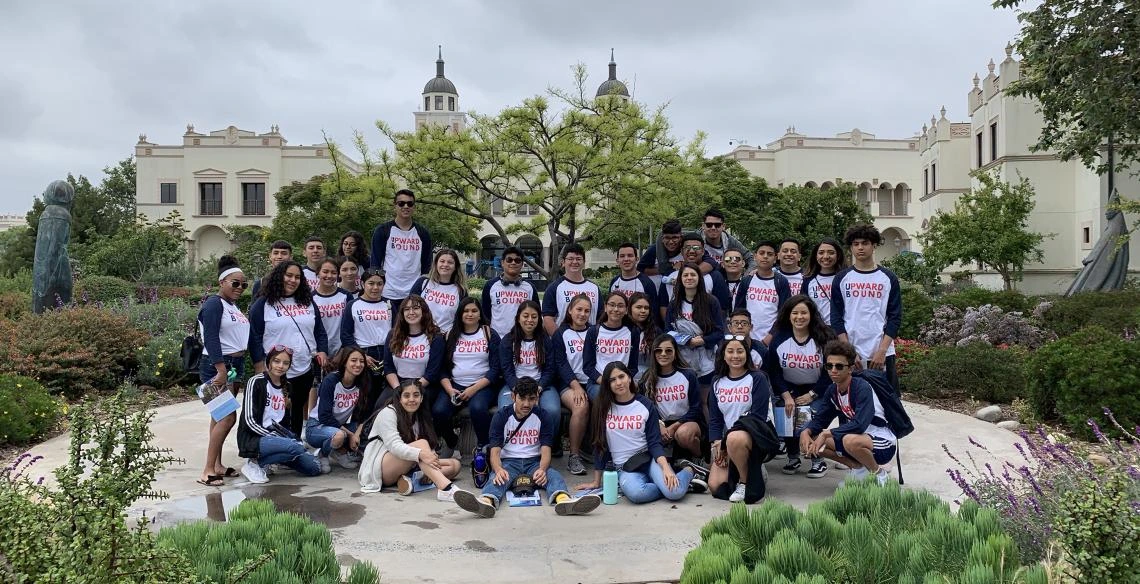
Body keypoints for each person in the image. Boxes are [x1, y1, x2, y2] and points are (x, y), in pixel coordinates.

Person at [452, 377, 601, 518]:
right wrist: (498, 469)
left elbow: (546, 450)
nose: (526, 404)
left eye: (531, 399)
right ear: (513, 397)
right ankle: (485, 502)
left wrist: (542, 470)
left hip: (534, 463)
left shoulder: (543, 416)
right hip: (509, 462)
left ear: (537, 398)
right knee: (496, 480)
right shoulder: (501, 416)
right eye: (522, 398)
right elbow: (495, 452)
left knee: (554, 476)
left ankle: (564, 501)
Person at [576, 362, 700, 504]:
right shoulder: (603, 408)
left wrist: (665, 468)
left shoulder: (646, 405)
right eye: (612, 380)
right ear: (607, 384)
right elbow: (599, 444)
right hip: (624, 467)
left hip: (648, 460)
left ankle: (688, 471)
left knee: (674, 492)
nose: (618, 383)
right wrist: (596, 481)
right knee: (637, 494)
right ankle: (671, 484)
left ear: (629, 377)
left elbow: (654, 442)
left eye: (621, 377)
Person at [799, 340, 896, 486]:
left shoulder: (861, 387)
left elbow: (860, 425)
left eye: (839, 366)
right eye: (829, 366)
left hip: (882, 442)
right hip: (858, 440)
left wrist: (826, 434)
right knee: (812, 439)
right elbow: (820, 420)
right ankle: (858, 469)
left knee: (848, 440)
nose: (833, 370)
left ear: (850, 368)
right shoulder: (833, 390)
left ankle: (879, 474)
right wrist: (805, 432)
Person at [249, 261, 329, 436]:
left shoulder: (307, 302)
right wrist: (258, 364)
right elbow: (254, 335)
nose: (293, 280)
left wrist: (322, 350)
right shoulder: (264, 303)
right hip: (277, 369)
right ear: (279, 277)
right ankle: (272, 448)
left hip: (304, 367)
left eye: (297, 277)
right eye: (289, 275)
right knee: (276, 410)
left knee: (298, 407)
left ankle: (295, 444)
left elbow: (319, 330)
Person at [765, 295, 835, 478]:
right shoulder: (779, 339)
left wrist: (812, 394)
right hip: (789, 388)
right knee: (788, 416)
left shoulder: (824, 337)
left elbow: (831, 371)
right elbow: (774, 371)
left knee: (810, 419)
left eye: (804, 312)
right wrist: (786, 395)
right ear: (788, 315)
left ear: (811, 314)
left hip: (818, 389)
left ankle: (817, 460)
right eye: (795, 313)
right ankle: (793, 457)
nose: (799, 317)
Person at [196, 255, 250, 487]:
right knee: (228, 417)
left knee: (218, 416)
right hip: (217, 365)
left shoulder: (232, 306)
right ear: (222, 282)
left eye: (243, 284)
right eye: (234, 283)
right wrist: (219, 368)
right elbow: (210, 337)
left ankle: (217, 464)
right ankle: (207, 470)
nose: (239, 288)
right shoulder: (213, 304)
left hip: (234, 365)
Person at [358, 379, 462, 500]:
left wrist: (430, 455)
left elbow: (426, 448)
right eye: (406, 395)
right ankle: (446, 489)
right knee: (421, 444)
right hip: (380, 469)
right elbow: (395, 447)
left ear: (422, 398)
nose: (412, 399)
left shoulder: (420, 417)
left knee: (455, 465)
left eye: (416, 395)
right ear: (400, 398)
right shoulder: (388, 413)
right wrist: (422, 454)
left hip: (409, 465)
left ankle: (411, 482)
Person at [830, 225, 903, 394]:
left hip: (881, 352)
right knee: (851, 404)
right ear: (851, 247)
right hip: (852, 354)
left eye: (865, 243)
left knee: (888, 405)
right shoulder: (842, 278)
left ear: (874, 245)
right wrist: (848, 352)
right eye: (856, 244)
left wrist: (882, 351)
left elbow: (894, 317)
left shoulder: (888, 278)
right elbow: (836, 317)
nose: (860, 247)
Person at [237, 346, 323, 483]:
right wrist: (280, 440)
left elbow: (285, 421)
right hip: (254, 438)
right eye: (276, 361)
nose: (280, 366)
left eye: (285, 363)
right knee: (295, 446)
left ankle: (270, 460)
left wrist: (287, 440)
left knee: (314, 468)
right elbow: (249, 420)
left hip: (278, 438)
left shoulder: (287, 386)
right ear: (269, 362)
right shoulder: (256, 382)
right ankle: (253, 463)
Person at [706, 337, 774, 503]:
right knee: (716, 486)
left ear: (747, 354)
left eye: (740, 351)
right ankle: (751, 468)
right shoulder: (717, 382)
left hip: (755, 436)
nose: (735, 356)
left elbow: (757, 417)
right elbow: (715, 419)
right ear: (723, 355)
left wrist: (726, 441)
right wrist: (716, 443)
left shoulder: (757, 378)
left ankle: (745, 482)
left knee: (735, 438)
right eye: (730, 351)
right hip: (728, 441)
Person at [433, 298, 502, 459]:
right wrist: (449, 389)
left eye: (474, 311)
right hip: (455, 385)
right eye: (466, 311)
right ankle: (451, 442)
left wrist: (473, 389)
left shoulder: (489, 333)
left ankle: (484, 446)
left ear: (480, 314)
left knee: (478, 408)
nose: (470, 314)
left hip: (482, 385)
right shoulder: (450, 335)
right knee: (439, 411)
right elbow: (442, 369)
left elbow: (495, 369)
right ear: (460, 314)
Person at [383, 294, 447, 424]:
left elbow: (432, 373)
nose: (411, 312)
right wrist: (398, 390)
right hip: (397, 384)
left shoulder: (435, 337)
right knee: (381, 408)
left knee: (417, 411)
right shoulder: (393, 335)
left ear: (424, 311)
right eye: (406, 309)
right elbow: (388, 367)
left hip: (425, 385)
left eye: (416, 308)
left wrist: (411, 391)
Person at [639, 334, 703, 464]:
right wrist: (660, 425)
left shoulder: (688, 375)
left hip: (687, 422)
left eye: (668, 350)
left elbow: (696, 408)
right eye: (659, 350)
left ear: (675, 353)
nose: (663, 354)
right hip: (661, 424)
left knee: (683, 434)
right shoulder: (647, 379)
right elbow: (647, 409)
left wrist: (674, 427)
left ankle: (700, 458)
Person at [305, 347, 370, 472]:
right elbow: (324, 416)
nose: (358, 364)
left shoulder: (362, 382)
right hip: (317, 426)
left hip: (340, 426)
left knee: (368, 429)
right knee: (339, 435)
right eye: (354, 360)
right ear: (345, 362)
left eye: (361, 361)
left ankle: (340, 451)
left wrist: (356, 434)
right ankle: (323, 454)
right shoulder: (331, 381)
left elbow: (364, 414)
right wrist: (351, 435)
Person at [552, 294, 595, 475]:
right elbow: (560, 363)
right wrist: (576, 386)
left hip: (592, 380)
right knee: (581, 406)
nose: (582, 314)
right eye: (579, 309)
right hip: (568, 383)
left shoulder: (595, 331)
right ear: (570, 310)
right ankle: (574, 457)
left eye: (587, 311)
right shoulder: (561, 333)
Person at [370, 189, 433, 311]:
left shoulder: (422, 233)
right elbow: (375, 263)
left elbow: (426, 264)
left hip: (414, 293)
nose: (406, 206)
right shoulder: (382, 231)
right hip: (389, 292)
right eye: (401, 203)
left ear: (414, 207)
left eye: (410, 203)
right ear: (395, 206)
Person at [665, 263, 726, 385]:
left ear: (699, 278)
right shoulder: (674, 304)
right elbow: (668, 332)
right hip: (682, 360)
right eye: (685, 275)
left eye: (693, 275)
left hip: (707, 361)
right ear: (680, 279)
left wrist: (703, 340)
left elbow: (719, 332)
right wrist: (688, 341)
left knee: (704, 401)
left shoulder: (711, 302)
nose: (689, 278)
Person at [497, 301, 560, 417]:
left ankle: (548, 435)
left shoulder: (545, 340)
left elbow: (550, 369)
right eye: (525, 316)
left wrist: (539, 387)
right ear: (518, 318)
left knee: (552, 410)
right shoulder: (508, 341)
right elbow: (507, 370)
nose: (530, 320)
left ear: (539, 319)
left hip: (541, 384)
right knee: (506, 410)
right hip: (515, 384)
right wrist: (518, 389)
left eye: (534, 316)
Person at [340, 268, 392, 405]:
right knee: (366, 397)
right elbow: (346, 335)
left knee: (385, 398)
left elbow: (396, 331)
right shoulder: (353, 305)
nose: (375, 287)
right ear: (363, 284)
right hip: (364, 352)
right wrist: (362, 356)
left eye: (379, 284)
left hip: (386, 352)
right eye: (371, 283)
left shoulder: (389, 304)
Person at [735, 241, 792, 349]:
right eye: (762, 253)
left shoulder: (781, 281)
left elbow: (784, 314)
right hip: (747, 339)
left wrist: (769, 338)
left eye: (769, 254)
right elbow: (739, 310)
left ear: (775, 258)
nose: (765, 256)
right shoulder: (746, 281)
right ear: (755, 256)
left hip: (772, 339)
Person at [658, 232, 731, 315]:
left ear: (703, 251)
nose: (692, 251)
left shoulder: (715, 276)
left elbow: (722, 309)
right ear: (681, 251)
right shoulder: (670, 274)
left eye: (696, 248)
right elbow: (663, 306)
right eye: (687, 247)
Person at [583, 292, 641, 398]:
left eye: (620, 306)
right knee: (606, 398)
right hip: (599, 382)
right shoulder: (594, 331)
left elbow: (633, 367)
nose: (616, 309)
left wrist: (622, 382)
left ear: (627, 310)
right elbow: (588, 367)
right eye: (612, 305)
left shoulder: (633, 332)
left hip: (623, 381)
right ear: (605, 307)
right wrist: (608, 383)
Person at [638, 219, 717, 289]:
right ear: (662, 238)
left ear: (681, 237)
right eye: (667, 238)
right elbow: (640, 269)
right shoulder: (654, 250)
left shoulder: (688, 248)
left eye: (675, 237)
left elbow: (711, 262)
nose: (671, 242)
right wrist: (663, 269)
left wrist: (685, 270)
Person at [541, 243, 600, 336]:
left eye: (579, 259)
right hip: (563, 345)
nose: (575, 262)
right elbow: (548, 318)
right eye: (570, 259)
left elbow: (600, 318)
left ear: (584, 263)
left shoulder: (594, 288)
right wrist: (560, 340)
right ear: (563, 262)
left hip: (590, 343)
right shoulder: (554, 288)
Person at [481, 246, 538, 338]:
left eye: (517, 260)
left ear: (522, 264)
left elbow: (537, 315)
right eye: (509, 260)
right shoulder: (490, 286)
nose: (513, 262)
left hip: (522, 340)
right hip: (497, 340)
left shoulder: (530, 288)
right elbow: (485, 315)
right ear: (502, 263)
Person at [411, 248, 467, 334]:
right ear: (436, 264)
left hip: (446, 338)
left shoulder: (461, 291)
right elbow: (409, 309)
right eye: (442, 261)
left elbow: (462, 318)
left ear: (455, 267)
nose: (445, 264)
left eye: (450, 262)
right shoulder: (423, 283)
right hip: (421, 335)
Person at [801, 238, 847, 324]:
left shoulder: (846, 278)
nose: (826, 256)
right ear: (816, 256)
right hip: (817, 331)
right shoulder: (808, 280)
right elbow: (803, 307)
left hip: (841, 331)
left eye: (831, 253)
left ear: (838, 255)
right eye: (821, 253)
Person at [609, 242, 660, 318]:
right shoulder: (614, 281)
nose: (626, 259)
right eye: (622, 256)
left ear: (636, 259)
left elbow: (653, 312)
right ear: (617, 260)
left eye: (630, 255)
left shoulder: (647, 283)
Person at [312, 258, 350, 358]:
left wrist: (342, 352)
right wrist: (320, 351)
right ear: (318, 273)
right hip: (318, 352)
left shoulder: (346, 296)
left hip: (343, 351)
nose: (329, 276)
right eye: (325, 272)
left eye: (333, 272)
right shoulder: (310, 299)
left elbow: (351, 327)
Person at [627, 292, 659, 382]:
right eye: (639, 307)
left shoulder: (656, 332)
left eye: (646, 308)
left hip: (650, 378)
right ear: (629, 309)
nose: (643, 311)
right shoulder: (622, 330)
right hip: (626, 380)